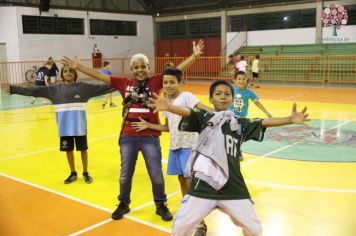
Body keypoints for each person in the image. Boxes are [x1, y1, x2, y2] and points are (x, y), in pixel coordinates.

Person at [61, 39, 205, 222]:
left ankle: (160, 205)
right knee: (125, 174)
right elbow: (100, 77)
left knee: (156, 175)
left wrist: (194, 56)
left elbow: (176, 71)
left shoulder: (155, 81)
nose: (139, 70)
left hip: (150, 137)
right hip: (128, 136)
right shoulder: (123, 83)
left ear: (148, 66)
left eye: (143, 66)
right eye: (136, 67)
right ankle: (123, 203)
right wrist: (79, 67)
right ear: (131, 69)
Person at [147, 80, 309, 236]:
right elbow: (189, 111)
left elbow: (263, 122)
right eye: (218, 94)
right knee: (180, 229)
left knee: (254, 229)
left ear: (232, 99)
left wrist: (289, 119)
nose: (223, 96)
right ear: (211, 99)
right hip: (204, 185)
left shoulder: (239, 123)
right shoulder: (204, 118)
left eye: (226, 94)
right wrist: (170, 107)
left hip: (233, 186)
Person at [131, 66, 212, 236]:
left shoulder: (186, 97)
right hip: (175, 147)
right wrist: (148, 125)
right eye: (165, 82)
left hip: (189, 146)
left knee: (191, 184)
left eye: (172, 82)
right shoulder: (164, 101)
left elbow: (204, 109)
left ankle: (201, 224)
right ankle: (189, 214)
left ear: (180, 83)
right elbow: (167, 127)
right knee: (182, 181)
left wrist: (219, 112)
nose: (168, 85)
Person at [9, 65, 113, 184]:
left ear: (75, 74)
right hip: (64, 129)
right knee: (68, 150)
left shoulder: (84, 88)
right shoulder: (54, 90)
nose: (68, 73)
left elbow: (104, 88)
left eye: (71, 71)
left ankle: (85, 172)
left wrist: (124, 85)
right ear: (62, 74)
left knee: (83, 149)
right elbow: (33, 90)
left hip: (80, 128)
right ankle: (73, 172)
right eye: (65, 71)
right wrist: (13, 89)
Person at [229, 71, 272, 160]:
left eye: (243, 79)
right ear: (234, 80)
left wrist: (266, 112)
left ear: (246, 80)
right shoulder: (230, 90)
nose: (241, 81)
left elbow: (257, 103)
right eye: (239, 79)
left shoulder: (249, 92)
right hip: (230, 116)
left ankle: (238, 150)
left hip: (241, 118)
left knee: (238, 135)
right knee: (230, 133)